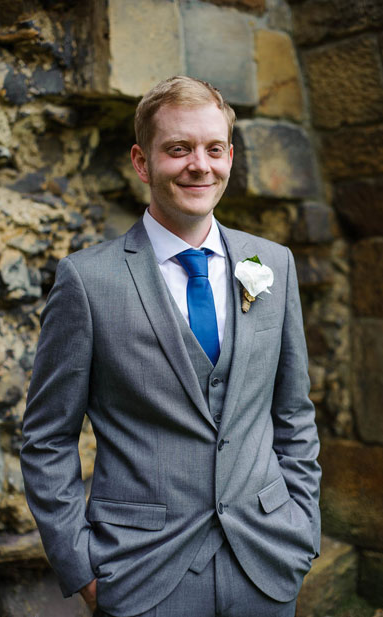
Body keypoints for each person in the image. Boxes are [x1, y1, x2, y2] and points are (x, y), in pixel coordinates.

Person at [20, 76, 320, 617]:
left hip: (267, 564)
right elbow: (47, 438)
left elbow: (293, 412)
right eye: (178, 149)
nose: (199, 165)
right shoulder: (87, 281)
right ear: (141, 161)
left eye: (213, 149)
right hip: (141, 573)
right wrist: (82, 567)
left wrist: (302, 526)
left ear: (230, 155)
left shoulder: (273, 265)